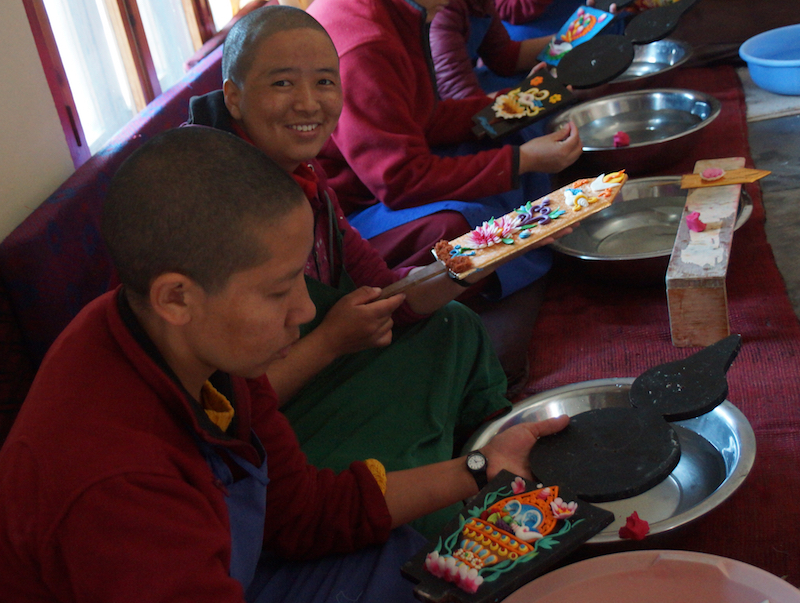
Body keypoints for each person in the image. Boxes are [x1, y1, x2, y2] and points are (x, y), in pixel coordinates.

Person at [0, 126, 569, 602]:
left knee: (420, 564)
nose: (304, 310)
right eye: (277, 293)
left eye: (302, 275)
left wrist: (478, 468)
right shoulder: (114, 485)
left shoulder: (194, 342)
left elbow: (299, 510)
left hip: (236, 561)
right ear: (176, 297)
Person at [187, 5, 573, 535]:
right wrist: (328, 342)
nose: (308, 102)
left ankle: (482, 442)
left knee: (453, 325)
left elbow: (391, 293)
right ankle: (444, 494)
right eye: (282, 83)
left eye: (324, 82)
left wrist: (512, 238)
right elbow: (225, 412)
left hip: (326, 355)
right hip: (262, 423)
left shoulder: (301, 177)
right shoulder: (213, 209)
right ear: (233, 95)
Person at [308, 0, 583, 300]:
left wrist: (524, 101)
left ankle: (525, 234)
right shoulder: (366, 46)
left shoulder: (406, 13)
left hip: (383, 174)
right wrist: (523, 160)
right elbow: (400, 180)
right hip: (348, 209)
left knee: (505, 133)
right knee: (463, 232)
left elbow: (424, 117)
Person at [430, 0, 554, 99]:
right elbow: (464, 100)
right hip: (444, 111)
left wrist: (569, 42)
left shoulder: (478, 3)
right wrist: (536, 95)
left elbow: (504, 56)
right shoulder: (441, 10)